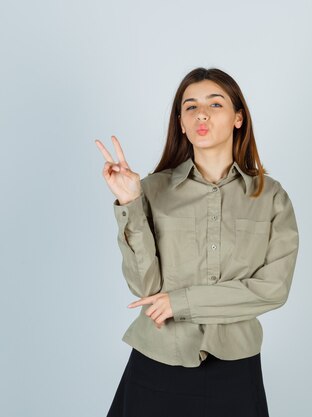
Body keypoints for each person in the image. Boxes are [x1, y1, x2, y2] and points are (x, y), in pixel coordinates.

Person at [95, 67, 299, 417]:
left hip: (235, 368)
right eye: (190, 107)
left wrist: (182, 302)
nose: (201, 113)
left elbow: (273, 289)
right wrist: (130, 203)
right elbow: (145, 287)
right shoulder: (153, 190)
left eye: (215, 104)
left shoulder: (270, 197)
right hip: (157, 360)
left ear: (238, 118)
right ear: (181, 122)